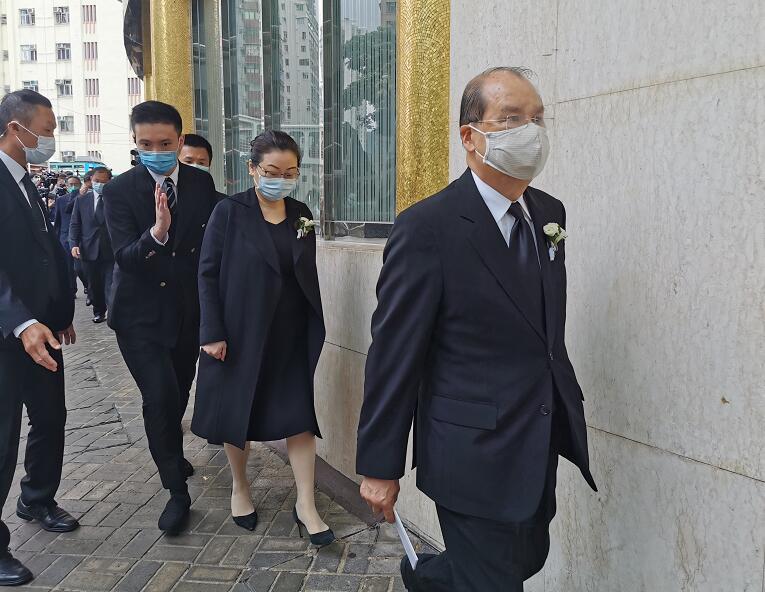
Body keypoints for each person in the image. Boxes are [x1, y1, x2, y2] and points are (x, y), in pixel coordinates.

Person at [356, 67, 598, 591]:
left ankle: (432, 579)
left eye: (537, 118)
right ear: (470, 136)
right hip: (469, 447)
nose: (530, 131)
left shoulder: (549, 213)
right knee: (494, 580)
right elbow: (394, 355)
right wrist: (379, 464)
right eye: (511, 119)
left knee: (525, 559)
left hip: (537, 432)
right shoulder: (427, 228)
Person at [192, 130, 333, 545]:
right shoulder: (229, 212)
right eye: (272, 171)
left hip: (290, 331)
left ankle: (306, 503)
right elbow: (207, 273)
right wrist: (212, 332)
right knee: (240, 412)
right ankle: (240, 487)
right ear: (253, 169)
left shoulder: (301, 213)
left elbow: (303, 271)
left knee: (299, 416)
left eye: (290, 173)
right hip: (240, 330)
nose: (281, 180)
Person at [103, 101, 218, 534]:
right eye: (146, 144)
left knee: (180, 390)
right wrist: (157, 233)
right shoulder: (118, 191)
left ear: (180, 141)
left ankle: (170, 449)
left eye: (165, 143)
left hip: (188, 313)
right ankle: (176, 491)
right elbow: (125, 259)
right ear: (135, 143)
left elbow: (215, 240)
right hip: (139, 317)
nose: (156, 151)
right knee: (159, 397)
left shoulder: (201, 183)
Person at [0, 89, 78, 587]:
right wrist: (22, 322)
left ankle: (38, 498)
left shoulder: (28, 180)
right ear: (16, 128)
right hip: (9, 333)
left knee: (50, 418)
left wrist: (59, 312)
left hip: (43, 329)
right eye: (46, 130)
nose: (50, 139)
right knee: (3, 436)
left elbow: (47, 253)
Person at [69, 167, 114, 323]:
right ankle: (99, 311)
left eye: (104, 182)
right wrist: (74, 244)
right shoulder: (82, 200)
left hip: (111, 250)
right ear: (91, 181)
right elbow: (75, 224)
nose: (99, 184)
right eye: (96, 181)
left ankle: (113, 312)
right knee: (94, 285)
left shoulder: (116, 199)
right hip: (89, 249)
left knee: (111, 284)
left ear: (110, 181)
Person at [52, 176, 83, 298]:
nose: (73, 186)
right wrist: (56, 238)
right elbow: (58, 220)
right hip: (65, 238)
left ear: (80, 185)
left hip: (82, 238)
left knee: (81, 268)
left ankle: (88, 286)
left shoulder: (85, 198)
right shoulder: (61, 200)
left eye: (76, 184)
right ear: (66, 185)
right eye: (71, 184)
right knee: (69, 267)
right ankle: (72, 289)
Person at [180, 133, 226, 200]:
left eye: (201, 163)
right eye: (189, 161)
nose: (195, 167)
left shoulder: (224, 203)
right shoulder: (167, 200)